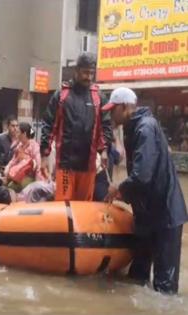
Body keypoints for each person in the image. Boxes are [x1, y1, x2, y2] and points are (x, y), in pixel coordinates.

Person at [104, 87, 188, 295]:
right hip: (148, 215)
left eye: (112, 109)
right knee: (136, 277)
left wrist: (118, 189)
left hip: (165, 216)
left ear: (124, 108)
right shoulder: (135, 128)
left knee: (164, 288)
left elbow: (142, 176)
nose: (110, 114)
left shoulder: (145, 128)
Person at [40, 52, 112, 201]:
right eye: (85, 72)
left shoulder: (98, 96)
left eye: (92, 73)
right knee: (64, 206)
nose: (89, 77)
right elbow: (48, 124)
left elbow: (105, 126)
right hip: (66, 164)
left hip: (89, 164)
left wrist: (104, 150)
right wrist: (44, 155)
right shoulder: (62, 95)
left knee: (84, 207)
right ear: (77, 71)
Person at [4, 122, 46, 192]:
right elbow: (14, 160)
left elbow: (38, 166)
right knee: (5, 185)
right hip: (18, 175)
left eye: (18, 132)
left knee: (11, 187)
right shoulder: (19, 146)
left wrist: (37, 184)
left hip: (30, 177)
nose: (16, 135)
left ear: (24, 134)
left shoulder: (34, 146)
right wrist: (8, 167)